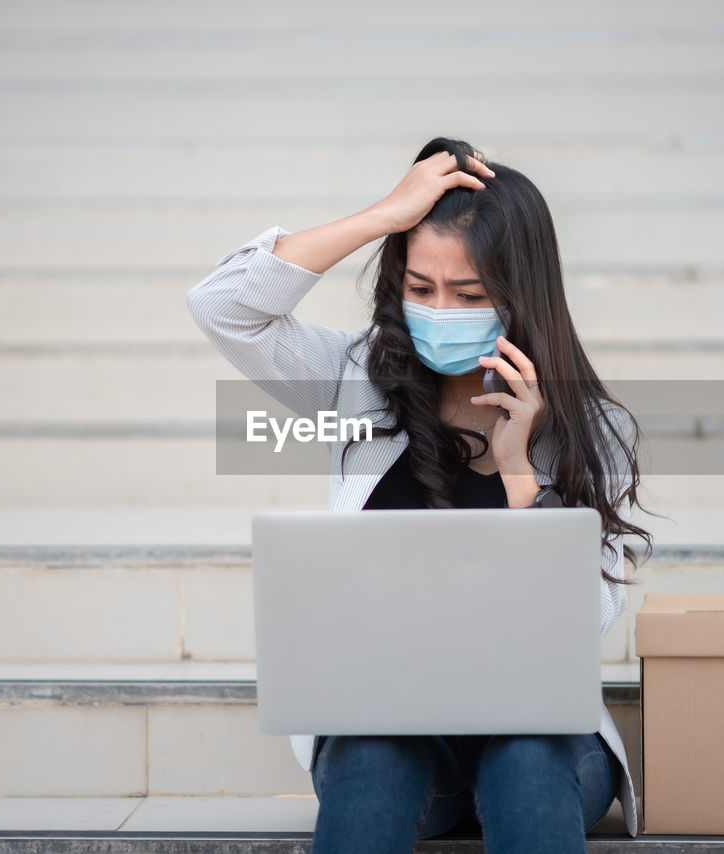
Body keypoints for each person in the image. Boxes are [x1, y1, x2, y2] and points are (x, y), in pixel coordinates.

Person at [187, 137, 652, 853]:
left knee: (526, 757)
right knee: (371, 755)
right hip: (391, 734)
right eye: (420, 288)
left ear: (521, 293)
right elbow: (223, 308)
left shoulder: (596, 430)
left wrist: (521, 472)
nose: (441, 311)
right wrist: (381, 216)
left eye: (469, 295)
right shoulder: (351, 378)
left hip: (541, 745)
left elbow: (583, 620)